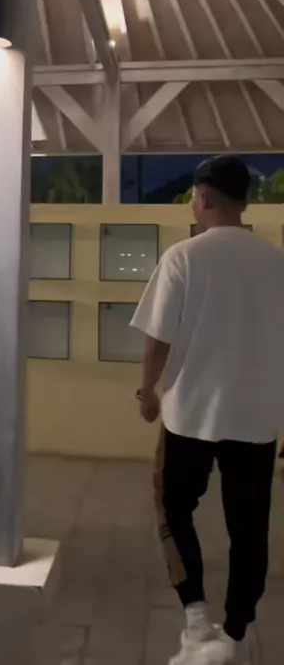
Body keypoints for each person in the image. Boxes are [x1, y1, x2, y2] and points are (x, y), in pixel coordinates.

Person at [131, 156, 284, 665]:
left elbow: (157, 340)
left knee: (172, 507)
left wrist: (148, 393)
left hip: (190, 416)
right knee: (249, 528)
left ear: (204, 196)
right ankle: (235, 636)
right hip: (256, 419)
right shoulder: (276, 263)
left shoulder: (184, 257)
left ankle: (196, 618)